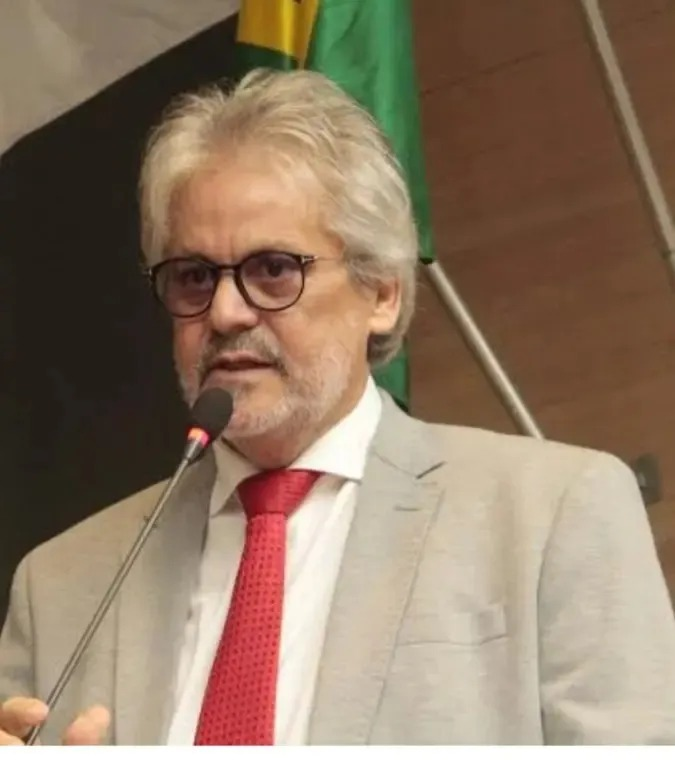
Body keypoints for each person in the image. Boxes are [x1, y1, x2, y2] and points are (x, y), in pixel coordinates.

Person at [1, 68, 675, 747]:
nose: (226, 312)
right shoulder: (59, 587)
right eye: (195, 277)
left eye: (272, 270)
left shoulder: (551, 515)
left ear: (381, 291)